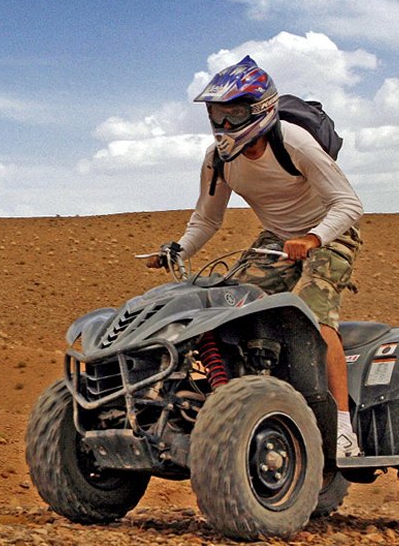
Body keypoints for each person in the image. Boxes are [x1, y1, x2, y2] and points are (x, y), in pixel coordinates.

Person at [147, 55, 364, 461]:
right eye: (218, 115)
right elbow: (207, 219)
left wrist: (314, 238)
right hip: (277, 239)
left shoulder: (296, 143)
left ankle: (343, 428)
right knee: (235, 309)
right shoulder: (218, 160)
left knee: (315, 315)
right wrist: (178, 248)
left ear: (262, 109)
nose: (225, 126)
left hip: (328, 233)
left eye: (235, 114)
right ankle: (252, 399)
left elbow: (349, 204)